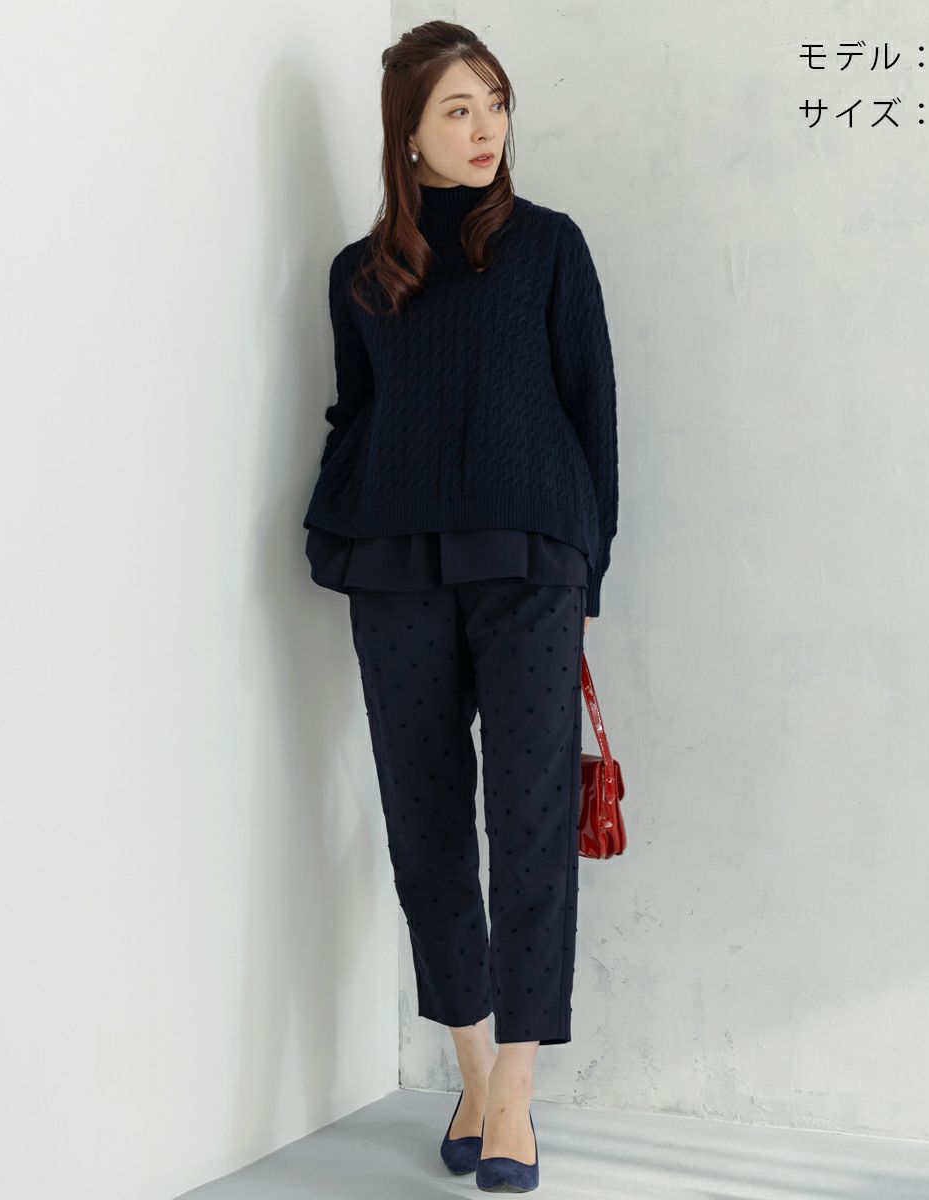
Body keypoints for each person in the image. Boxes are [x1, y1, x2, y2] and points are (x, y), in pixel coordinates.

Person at [302, 19, 618, 1191]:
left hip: (531, 564)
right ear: (409, 135)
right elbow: (356, 412)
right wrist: (340, 518)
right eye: (457, 108)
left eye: (494, 101)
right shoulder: (360, 273)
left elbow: (592, 408)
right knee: (423, 822)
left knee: (529, 823)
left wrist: (587, 563)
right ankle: (472, 1072)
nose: (485, 128)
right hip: (395, 566)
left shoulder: (548, 246)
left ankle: (518, 1095)